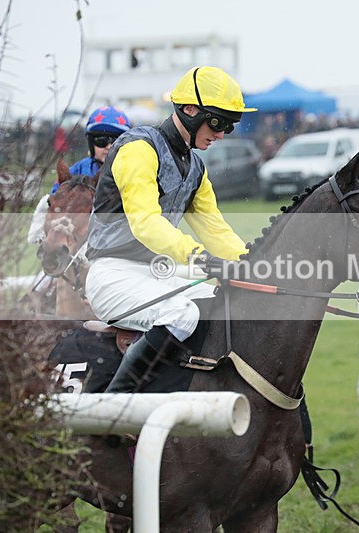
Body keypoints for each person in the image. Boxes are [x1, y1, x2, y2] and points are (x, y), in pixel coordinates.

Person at [84, 66, 256, 393]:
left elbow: (216, 231)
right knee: (182, 314)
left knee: (224, 303)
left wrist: (254, 264)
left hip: (157, 272)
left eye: (230, 127)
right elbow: (145, 223)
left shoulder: (196, 168)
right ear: (189, 110)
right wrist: (198, 257)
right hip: (113, 273)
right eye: (218, 122)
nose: (221, 134)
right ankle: (116, 404)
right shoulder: (138, 148)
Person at [27, 105, 132, 245]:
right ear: (91, 143)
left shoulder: (135, 171)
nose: (108, 146)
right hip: (78, 243)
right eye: (101, 140)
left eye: (116, 141)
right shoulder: (76, 171)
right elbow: (55, 202)